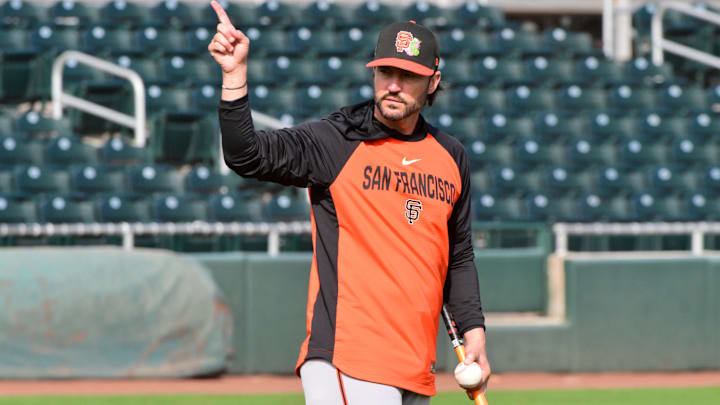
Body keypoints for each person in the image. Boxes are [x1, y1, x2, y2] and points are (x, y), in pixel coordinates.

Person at [208, 1, 490, 404]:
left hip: (414, 364)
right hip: (347, 357)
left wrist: (474, 331)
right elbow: (246, 155)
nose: (393, 84)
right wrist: (234, 75)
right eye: (386, 71)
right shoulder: (337, 140)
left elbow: (458, 254)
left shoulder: (450, 155)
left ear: (432, 82)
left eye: (408, 75)